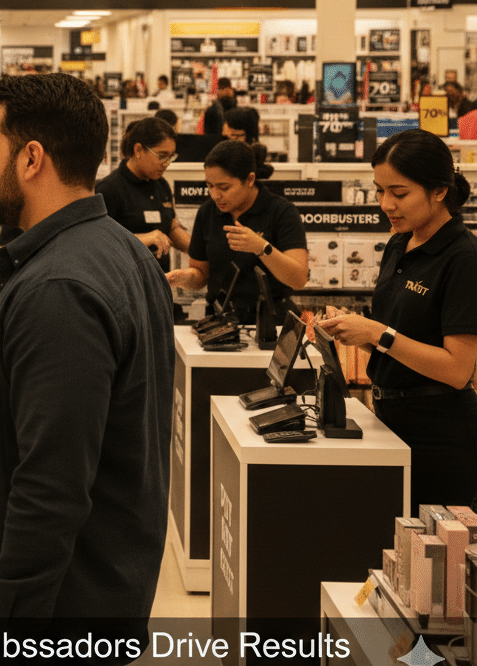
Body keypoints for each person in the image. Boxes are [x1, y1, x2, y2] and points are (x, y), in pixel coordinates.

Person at [0, 73, 174, 666]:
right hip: (86, 603)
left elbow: (51, 490)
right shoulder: (118, 251)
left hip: (51, 632)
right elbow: (103, 396)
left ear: (31, 157)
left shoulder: (59, 288)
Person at [317, 130, 477, 514]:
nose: (386, 204)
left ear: (439, 191)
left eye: (399, 193)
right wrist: (353, 329)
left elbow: (457, 370)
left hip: (440, 436)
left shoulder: (463, 258)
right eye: (379, 191)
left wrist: (377, 332)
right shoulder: (399, 243)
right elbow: (395, 340)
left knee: (428, 547)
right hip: (389, 419)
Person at [166, 140, 308, 325]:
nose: (215, 195)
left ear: (249, 180)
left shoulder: (281, 212)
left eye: (224, 187)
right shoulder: (207, 212)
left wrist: (261, 247)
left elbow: (298, 279)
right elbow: (201, 274)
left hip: (271, 322)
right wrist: (183, 278)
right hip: (220, 322)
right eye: (210, 186)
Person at [96, 116, 190, 272]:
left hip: (160, 278)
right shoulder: (109, 189)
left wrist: (201, 251)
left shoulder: (161, 185)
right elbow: (99, 242)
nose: (167, 163)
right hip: (126, 279)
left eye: (170, 157)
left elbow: (172, 228)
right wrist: (145, 238)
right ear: (138, 150)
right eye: (162, 156)